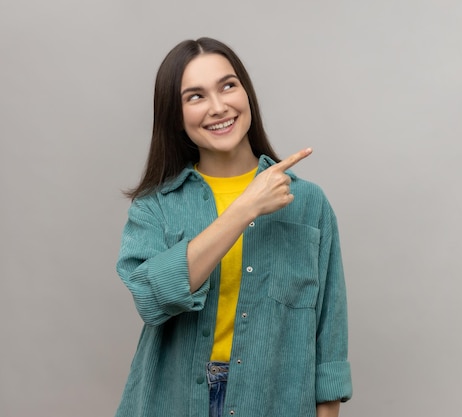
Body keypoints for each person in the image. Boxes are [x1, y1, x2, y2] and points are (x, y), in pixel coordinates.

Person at [115, 37, 352, 417]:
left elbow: (329, 332)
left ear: (246, 93)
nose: (218, 106)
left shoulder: (308, 203)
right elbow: (149, 299)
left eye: (228, 86)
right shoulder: (156, 205)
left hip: (274, 401)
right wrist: (244, 209)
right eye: (195, 96)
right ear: (176, 117)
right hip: (174, 402)